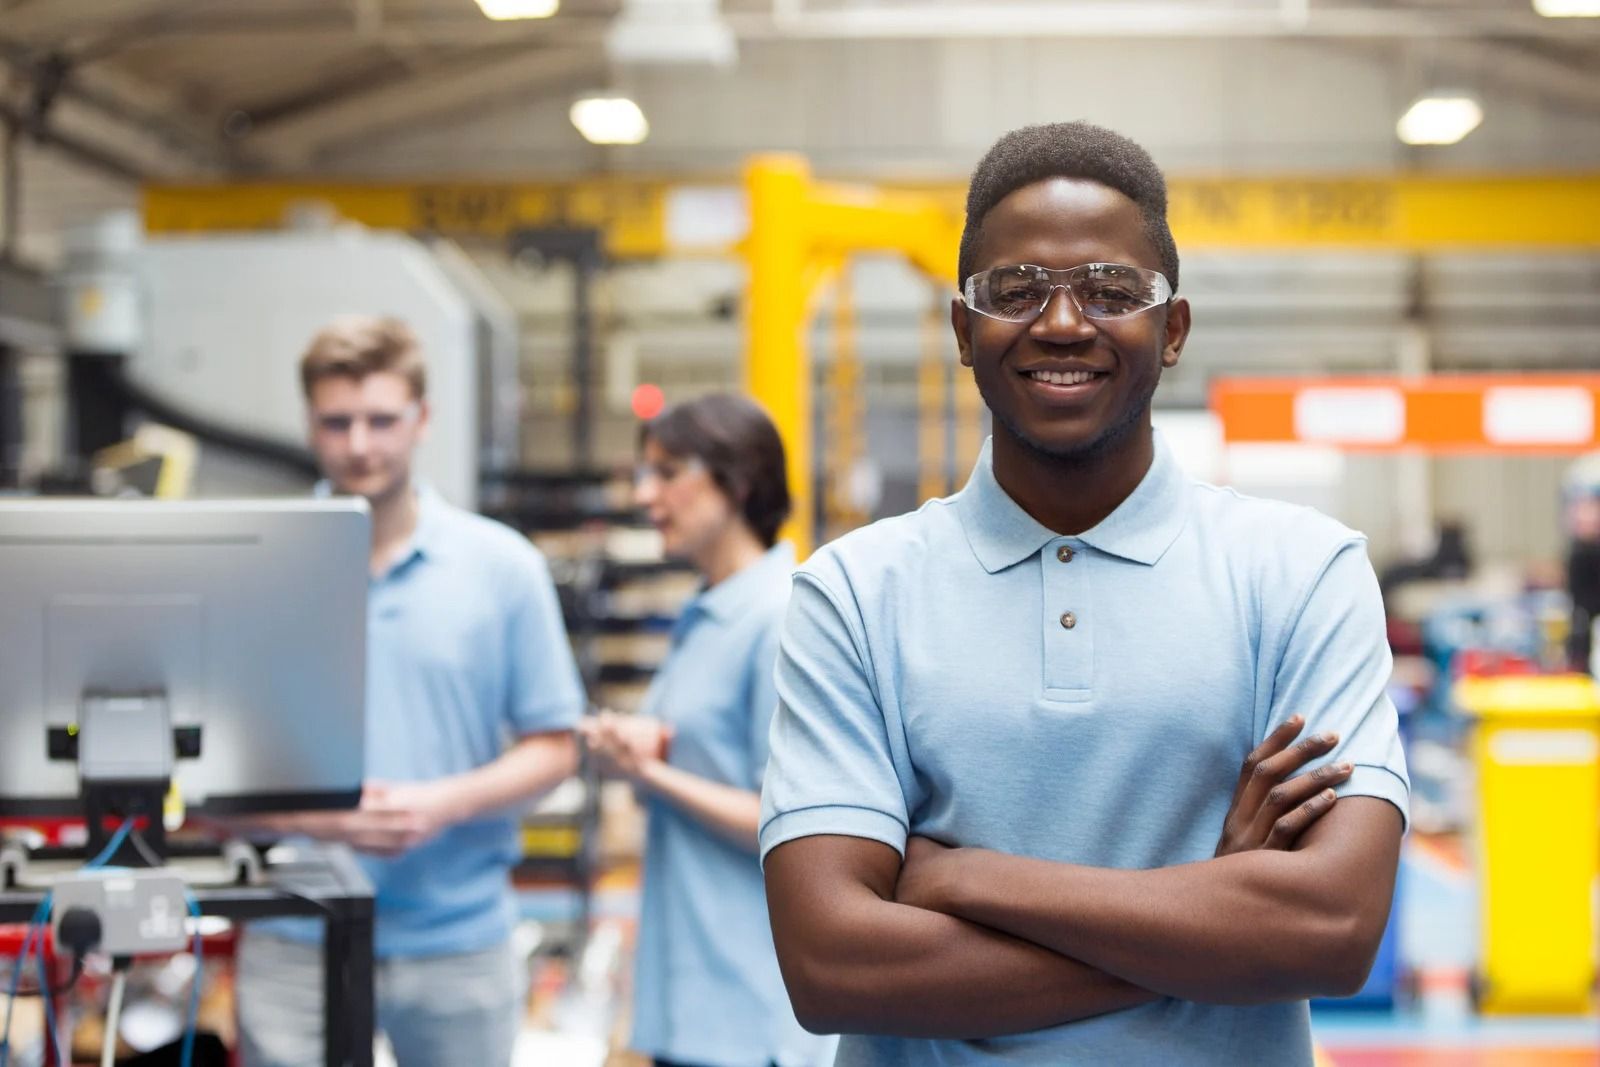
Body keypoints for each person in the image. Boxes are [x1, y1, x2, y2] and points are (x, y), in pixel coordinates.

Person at [760, 122, 1409, 1066]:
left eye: (1111, 291)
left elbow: (1333, 929)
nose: (1062, 322)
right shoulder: (853, 594)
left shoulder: (1303, 572)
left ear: (1173, 329)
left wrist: (969, 877)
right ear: (962, 331)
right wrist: (1210, 909)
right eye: (1015, 291)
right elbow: (831, 966)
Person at [234, 316, 585, 1067]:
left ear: (422, 420)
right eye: (338, 421)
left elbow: (556, 747)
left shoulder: (502, 568)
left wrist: (440, 804)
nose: (361, 444)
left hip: (459, 942)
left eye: (382, 420)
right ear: (309, 425)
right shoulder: (258, 568)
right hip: (296, 933)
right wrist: (326, 821)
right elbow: (210, 776)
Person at [580, 394, 834, 1067]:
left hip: (747, 1010)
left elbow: (791, 821)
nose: (645, 493)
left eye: (667, 473)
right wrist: (646, 746)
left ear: (736, 480)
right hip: (692, 999)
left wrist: (646, 770)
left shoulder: (778, 615)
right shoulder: (705, 611)